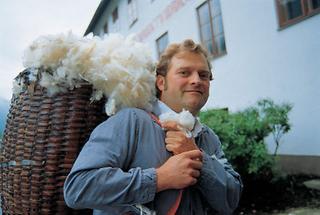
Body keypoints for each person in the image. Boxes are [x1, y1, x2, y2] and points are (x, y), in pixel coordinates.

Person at [64, 39, 243, 215]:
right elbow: (78, 187)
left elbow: (231, 200)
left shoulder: (208, 137)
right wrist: (159, 179)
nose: (196, 80)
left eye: (203, 75)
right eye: (184, 73)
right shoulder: (131, 120)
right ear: (161, 83)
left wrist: (200, 160)